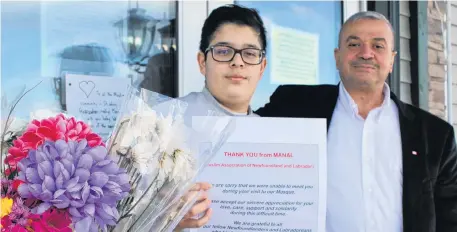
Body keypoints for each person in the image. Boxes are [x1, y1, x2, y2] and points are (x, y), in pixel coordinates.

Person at [255, 11, 457, 232]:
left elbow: (449, 216)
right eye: (354, 45)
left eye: (378, 46)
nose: (366, 54)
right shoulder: (294, 106)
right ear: (337, 57)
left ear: (391, 60)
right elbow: (241, 130)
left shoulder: (436, 135)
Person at [173, 4, 267, 231]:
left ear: (261, 67)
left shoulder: (271, 135)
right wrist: (169, 220)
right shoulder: (162, 121)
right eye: (224, 51)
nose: (238, 62)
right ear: (202, 62)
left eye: (250, 53)